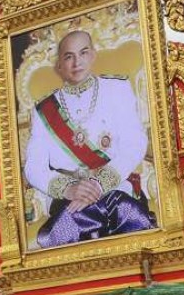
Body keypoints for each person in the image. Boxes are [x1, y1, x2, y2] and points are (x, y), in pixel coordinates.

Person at [22, 29, 156, 248]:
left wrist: (98, 183)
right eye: (68, 56)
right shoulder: (44, 110)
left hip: (115, 189)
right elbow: (34, 168)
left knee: (132, 222)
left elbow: (134, 143)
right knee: (64, 235)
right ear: (59, 66)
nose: (76, 62)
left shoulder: (117, 89)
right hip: (68, 202)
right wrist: (69, 189)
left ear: (93, 56)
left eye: (83, 53)